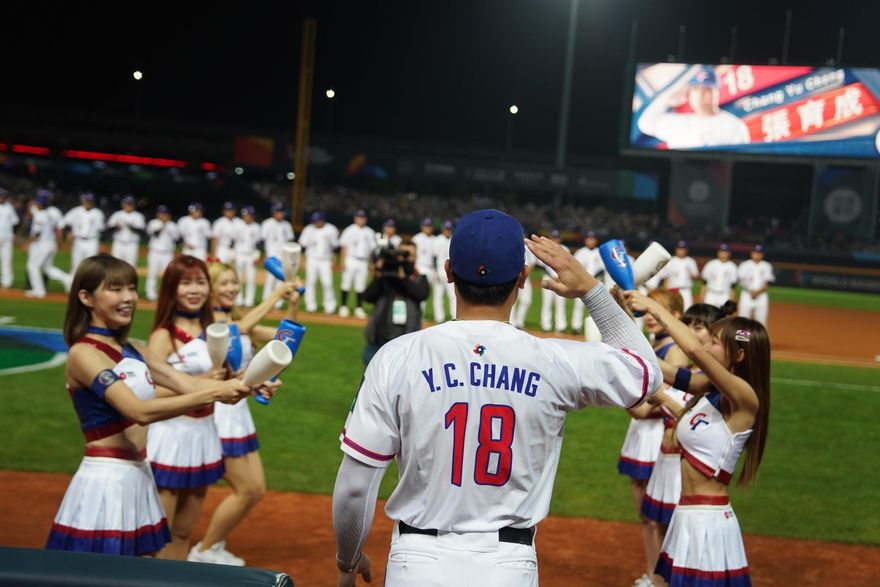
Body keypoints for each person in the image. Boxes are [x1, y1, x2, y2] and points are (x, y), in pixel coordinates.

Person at [332, 210, 662, 587]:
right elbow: (645, 372)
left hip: (417, 562)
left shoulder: (396, 356)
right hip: (509, 566)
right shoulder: (554, 360)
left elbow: (355, 486)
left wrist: (347, 561)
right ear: (523, 276)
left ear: (448, 271)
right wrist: (591, 289)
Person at [45, 254, 252, 556]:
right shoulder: (84, 354)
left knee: (148, 564)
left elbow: (190, 383)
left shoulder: (134, 348)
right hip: (106, 479)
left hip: (137, 473)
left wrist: (248, 384)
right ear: (86, 298)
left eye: (131, 288)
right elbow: (138, 411)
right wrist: (215, 394)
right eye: (115, 289)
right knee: (102, 570)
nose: (128, 297)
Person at [624, 292, 770, 587]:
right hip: (687, 514)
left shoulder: (745, 398)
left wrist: (654, 307)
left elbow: (693, 350)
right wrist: (619, 325)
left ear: (739, 355)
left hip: (708, 523)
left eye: (714, 342)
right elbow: (660, 367)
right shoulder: (709, 389)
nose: (706, 346)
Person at [188, 261, 301, 565]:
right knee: (246, 489)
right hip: (220, 412)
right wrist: (277, 292)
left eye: (234, 282)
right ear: (210, 289)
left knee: (255, 489)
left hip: (239, 412)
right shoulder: (210, 323)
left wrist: (292, 303)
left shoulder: (238, 319)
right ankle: (202, 551)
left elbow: (285, 338)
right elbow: (240, 330)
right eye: (223, 283)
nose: (231, 288)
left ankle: (210, 546)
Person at [146, 255, 234, 560]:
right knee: (158, 535)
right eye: (185, 283)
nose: (194, 290)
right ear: (171, 288)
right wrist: (198, 383)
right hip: (170, 434)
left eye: (200, 282)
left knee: (184, 531)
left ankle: (174, 579)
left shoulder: (217, 329)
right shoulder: (163, 336)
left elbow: (227, 379)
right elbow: (148, 391)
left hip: (204, 432)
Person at [620, 288, 688, 587]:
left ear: (675, 316)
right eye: (646, 310)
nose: (649, 317)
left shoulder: (675, 351)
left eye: (656, 311)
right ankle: (653, 575)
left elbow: (671, 402)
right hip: (641, 434)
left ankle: (665, 578)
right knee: (647, 517)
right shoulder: (656, 344)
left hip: (658, 435)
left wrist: (633, 403)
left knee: (660, 518)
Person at [636, 65, 750, 149]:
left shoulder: (733, 124)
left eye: (708, 90)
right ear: (689, 93)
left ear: (717, 92)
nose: (702, 95)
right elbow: (646, 123)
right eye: (697, 89)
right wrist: (668, 97)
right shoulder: (679, 123)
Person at [360, 241, 429, 365]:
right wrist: (379, 275)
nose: (404, 259)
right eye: (401, 255)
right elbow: (368, 297)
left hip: (406, 343)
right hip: (378, 341)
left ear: (415, 257)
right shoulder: (386, 277)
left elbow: (421, 294)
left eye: (408, 255)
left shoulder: (419, 278)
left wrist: (402, 278)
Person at [24, 190, 70, 298]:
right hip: (50, 243)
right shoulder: (51, 212)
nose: (37, 203)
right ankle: (68, 279)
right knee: (46, 268)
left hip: (42, 244)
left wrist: (27, 243)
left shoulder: (41, 215)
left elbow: (37, 234)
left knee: (33, 266)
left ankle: (39, 291)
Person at [298, 211, 339, 314]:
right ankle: (310, 306)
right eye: (315, 221)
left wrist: (334, 259)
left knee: (327, 283)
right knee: (310, 282)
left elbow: (335, 247)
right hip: (311, 259)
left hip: (326, 260)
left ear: (323, 220)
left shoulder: (331, 229)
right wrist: (302, 259)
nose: (316, 222)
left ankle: (330, 306)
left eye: (318, 220)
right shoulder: (308, 229)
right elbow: (302, 246)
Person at [338, 209, 377, 318]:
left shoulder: (369, 232)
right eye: (359, 217)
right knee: (346, 283)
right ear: (355, 218)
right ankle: (343, 306)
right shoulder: (349, 230)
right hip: (350, 259)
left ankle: (359, 308)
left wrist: (372, 263)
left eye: (363, 217)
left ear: (366, 219)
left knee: (361, 286)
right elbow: (344, 247)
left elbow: (372, 250)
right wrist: (342, 261)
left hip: (363, 261)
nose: (361, 219)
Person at [61, 192, 105, 274]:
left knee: (91, 265)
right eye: (86, 200)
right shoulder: (75, 211)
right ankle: (73, 281)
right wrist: (69, 232)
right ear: (82, 201)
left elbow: (101, 229)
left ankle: (90, 282)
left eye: (90, 201)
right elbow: (64, 222)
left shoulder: (98, 213)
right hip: (78, 240)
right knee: (76, 265)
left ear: (93, 202)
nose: (88, 203)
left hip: (92, 241)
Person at [261, 202, 295, 305]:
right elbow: (262, 240)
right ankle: (266, 300)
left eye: (281, 211)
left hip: (284, 256)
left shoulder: (287, 225)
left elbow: (290, 241)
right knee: (270, 279)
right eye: (278, 211)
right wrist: (264, 254)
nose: (280, 214)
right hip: (271, 256)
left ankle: (278, 303)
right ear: (273, 212)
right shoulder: (267, 223)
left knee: (281, 280)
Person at [571, 231, 603, 335]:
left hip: (595, 283)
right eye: (589, 239)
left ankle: (594, 330)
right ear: (585, 240)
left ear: (596, 241)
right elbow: (575, 267)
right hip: (581, 282)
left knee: (595, 307)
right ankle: (576, 327)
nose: (591, 241)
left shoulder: (600, 252)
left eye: (593, 239)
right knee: (578, 305)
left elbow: (602, 269)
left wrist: (592, 277)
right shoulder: (580, 252)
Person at [537, 230, 569, 332]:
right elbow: (541, 266)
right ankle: (546, 325)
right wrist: (552, 275)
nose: (555, 240)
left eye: (556, 238)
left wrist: (560, 276)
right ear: (550, 238)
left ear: (560, 239)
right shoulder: (544, 248)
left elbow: (568, 266)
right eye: (553, 237)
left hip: (561, 280)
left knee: (561, 303)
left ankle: (561, 326)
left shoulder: (565, 249)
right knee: (547, 302)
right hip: (548, 278)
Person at [145, 205, 179, 301]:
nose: (163, 215)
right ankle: (150, 294)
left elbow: (176, 238)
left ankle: (167, 294)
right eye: (161, 213)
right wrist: (162, 226)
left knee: (168, 275)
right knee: (152, 274)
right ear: (158, 214)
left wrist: (167, 226)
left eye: (165, 214)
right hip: (154, 252)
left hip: (167, 253)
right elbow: (153, 234)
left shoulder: (172, 225)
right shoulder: (153, 223)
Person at [737, 244, 775, 326]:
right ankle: (742, 335)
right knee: (743, 320)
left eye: (759, 253)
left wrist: (758, 292)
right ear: (751, 253)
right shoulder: (744, 265)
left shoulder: (766, 266)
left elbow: (768, 282)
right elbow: (740, 281)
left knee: (761, 321)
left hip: (762, 296)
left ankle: (760, 335)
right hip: (747, 295)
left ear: (762, 254)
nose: (757, 255)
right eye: (755, 252)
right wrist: (751, 291)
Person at [656, 241, 699, 310]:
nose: (681, 250)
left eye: (683, 249)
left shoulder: (690, 261)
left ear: (686, 250)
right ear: (676, 249)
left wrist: (691, 275)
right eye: (679, 248)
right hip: (673, 289)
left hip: (686, 290)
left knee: (687, 309)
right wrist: (666, 290)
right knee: (672, 308)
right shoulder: (671, 261)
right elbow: (665, 278)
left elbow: (696, 277)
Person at [232, 206, 262, 307]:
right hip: (239, 254)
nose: (248, 217)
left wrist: (257, 256)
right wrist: (232, 255)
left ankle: (249, 300)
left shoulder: (256, 227)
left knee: (251, 278)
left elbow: (259, 243)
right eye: (246, 215)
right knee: (238, 278)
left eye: (250, 215)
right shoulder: (237, 225)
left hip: (251, 255)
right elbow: (232, 241)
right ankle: (239, 299)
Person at [107, 194, 145, 268]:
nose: (128, 205)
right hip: (118, 243)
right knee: (115, 266)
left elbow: (142, 232)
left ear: (134, 205)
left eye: (130, 203)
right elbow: (108, 229)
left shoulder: (138, 216)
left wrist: (131, 227)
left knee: (131, 266)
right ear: (123, 204)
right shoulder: (117, 214)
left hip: (132, 244)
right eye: (127, 203)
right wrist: (116, 227)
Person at [509, 236, 537, 329]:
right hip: (513, 276)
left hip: (525, 276)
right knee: (511, 300)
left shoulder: (528, 248)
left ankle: (519, 322)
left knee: (526, 300)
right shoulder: (511, 247)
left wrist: (525, 273)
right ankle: (511, 322)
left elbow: (532, 263)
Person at [431, 220, 455, 322]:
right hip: (440, 270)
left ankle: (454, 316)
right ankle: (439, 318)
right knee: (438, 295)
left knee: (453, 295)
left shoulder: (453, 239)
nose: (448, 231)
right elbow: (434, 257)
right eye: (446, 229)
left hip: (450, 271)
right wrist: (435, 271)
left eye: (449, 229)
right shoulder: (437, 240)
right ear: (442, 229)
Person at [700, 243, 738, 308]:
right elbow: (704, 282)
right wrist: (702, 295)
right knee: (708, 312)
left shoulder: (732, 266)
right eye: (722, 251)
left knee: (723, 313)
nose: (723, 254)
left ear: (729, 253)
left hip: (725, 294)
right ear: (718, 253)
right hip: (711, 293)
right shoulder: (711, 264)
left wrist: (732, 298)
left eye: (726, 252)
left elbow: (733, 286)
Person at [0, 187, 19, 288]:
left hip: (7, 238)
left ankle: (7, 282)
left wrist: (15, 235)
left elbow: (15, 222)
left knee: (6, 260)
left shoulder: (9, 207)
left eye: (3, 196)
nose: (2, 197)